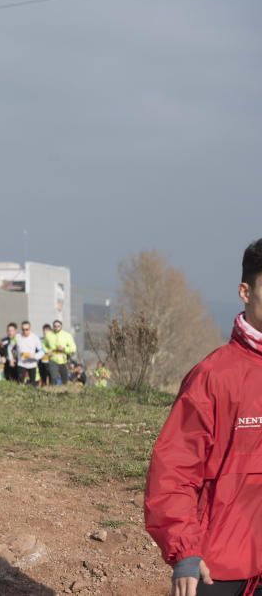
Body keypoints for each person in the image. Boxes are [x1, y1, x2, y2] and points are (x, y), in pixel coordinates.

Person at [144, 239, 262, 596]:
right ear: (245, 291)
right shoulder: (213, 376)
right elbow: (174, 472)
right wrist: (185, 551)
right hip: (223, 567)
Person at [44, 319, 77, 386]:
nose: (56, 328)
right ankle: (53, 392)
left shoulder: (67, 335)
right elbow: (44, 345)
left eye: (58, 326)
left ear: (61, 326)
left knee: (65, 380)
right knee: (54, 378)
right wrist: (47, 351)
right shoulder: (48, 335)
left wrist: (64, 349)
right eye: (55, 326)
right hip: (53, 359)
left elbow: (73, 348)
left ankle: (65, 392)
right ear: (53, 326)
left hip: (64, 360)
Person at [14, 321, 44, 386]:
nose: (25, 331)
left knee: (32, 384)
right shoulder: (17, 337)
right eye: (23, 329)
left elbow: (42, 351)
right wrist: (12, 358)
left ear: (30, 329)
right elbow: (10, 347)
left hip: (32, 364)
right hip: (21, 363)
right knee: (20, 384)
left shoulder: (35, 338)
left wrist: (35, 356)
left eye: (27, 329)